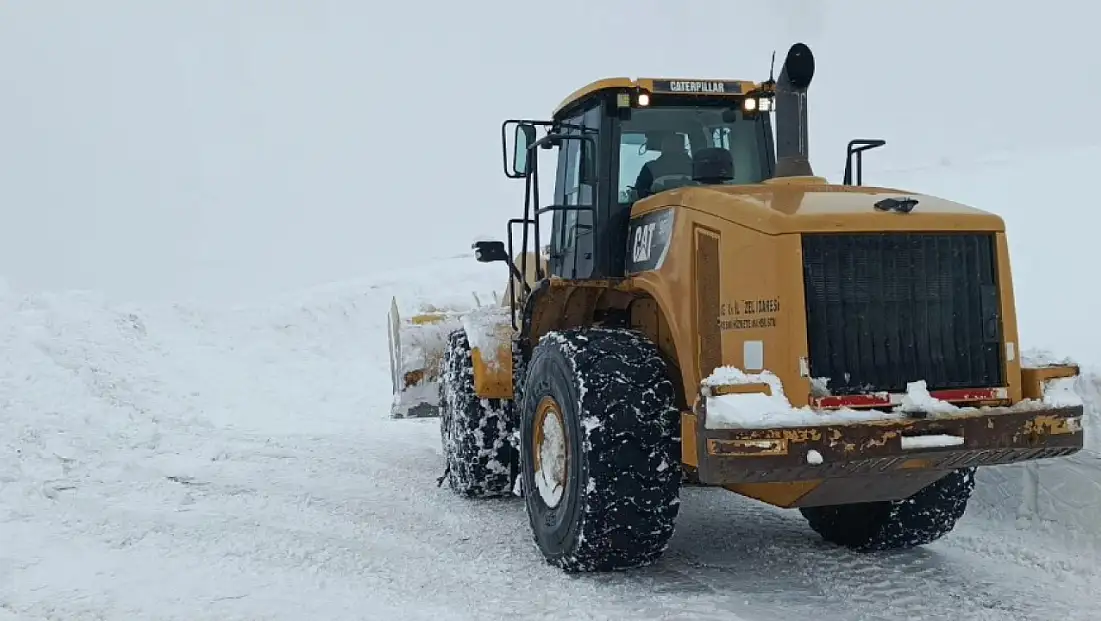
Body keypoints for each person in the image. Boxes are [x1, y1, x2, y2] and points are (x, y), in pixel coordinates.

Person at [634, 133, 693, 198]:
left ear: (663, 146)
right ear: (682, 147)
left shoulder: (650, 168)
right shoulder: (696, 167)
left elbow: (638, 195)